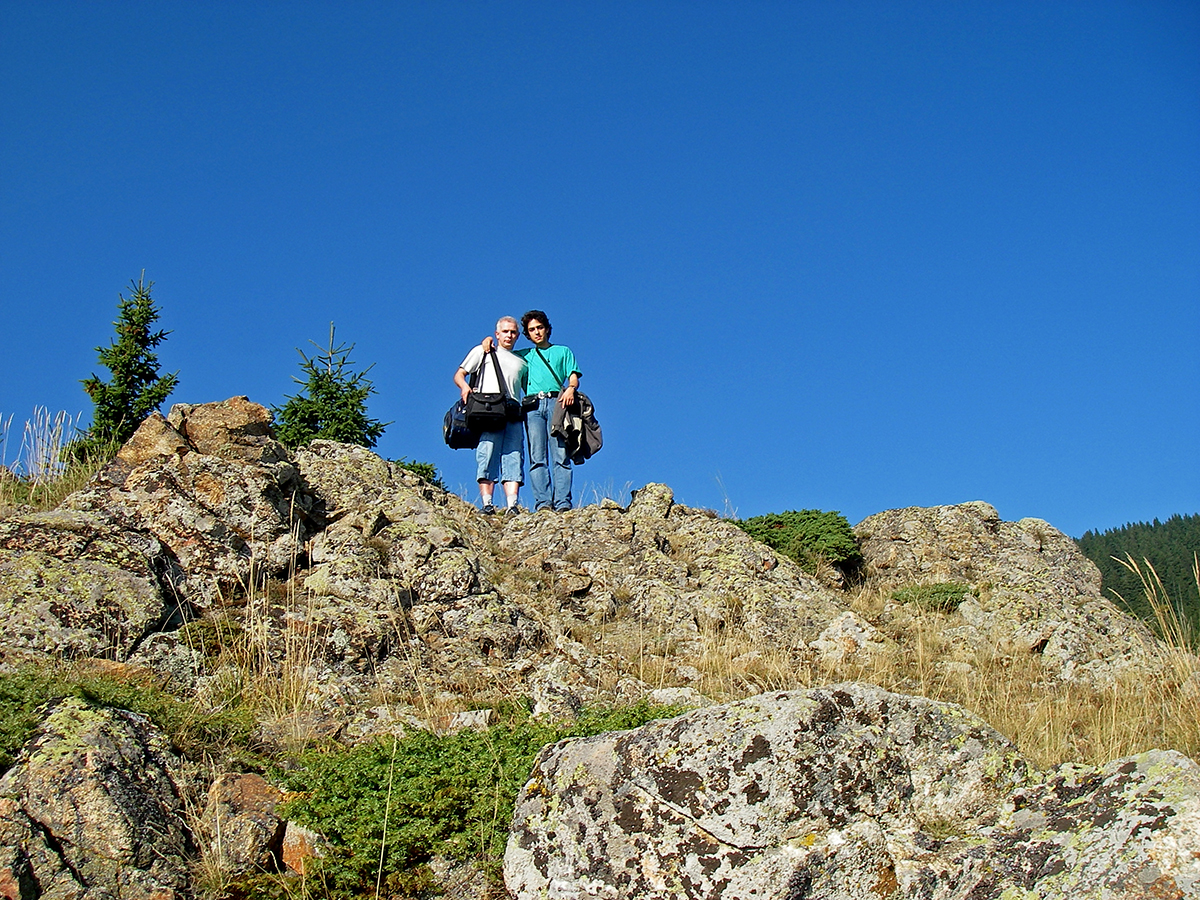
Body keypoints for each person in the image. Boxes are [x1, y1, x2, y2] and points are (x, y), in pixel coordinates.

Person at [454, 317, 527, 515]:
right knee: (487, 453)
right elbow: (460, 374)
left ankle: (512, 505)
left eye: (513, 332)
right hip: (489, 409)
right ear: (497, 334)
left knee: (514, 455)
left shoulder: (522, 361)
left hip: (512, 410)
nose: (509, 335)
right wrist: (465, 387)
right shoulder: (483, 351)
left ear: (518, 336)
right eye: (505, 331)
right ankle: (487, 504)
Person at [516, 310, 580, 512]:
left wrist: (570, 388)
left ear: (547, 329)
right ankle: (543, 502)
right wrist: (486, 342)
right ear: (527, 333)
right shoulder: (523, 355)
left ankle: (562, 502)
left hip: (556, 402)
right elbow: (499, 354)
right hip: (532, 405)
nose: (536, 332)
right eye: (532, 329)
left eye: (539, 328)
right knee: (537, 456)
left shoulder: (562, 351)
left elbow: (573, 376)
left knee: (560, 454)